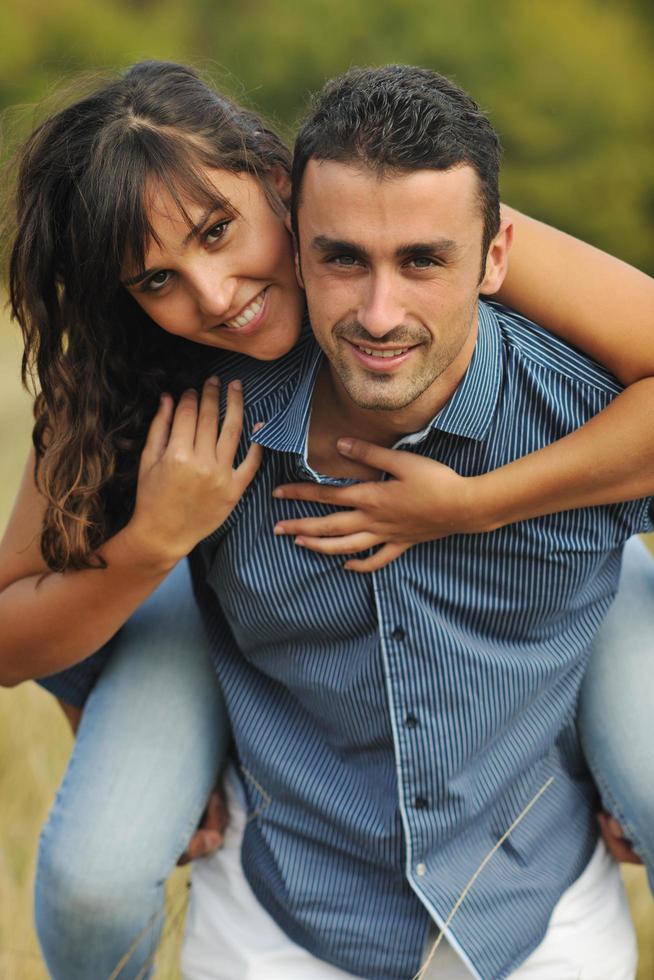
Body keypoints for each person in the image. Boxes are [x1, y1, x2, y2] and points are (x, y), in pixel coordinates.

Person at [0, 60, 651, 978]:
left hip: (556, 525)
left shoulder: (413, 218)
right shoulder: (139, 380)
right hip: (195, 579)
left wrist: (470, 505)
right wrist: (153, 544)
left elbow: (465, 238)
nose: (216, 293)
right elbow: (15, 624)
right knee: (94, 875)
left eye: (220, 232)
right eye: (157, 280)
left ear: (275, 178)